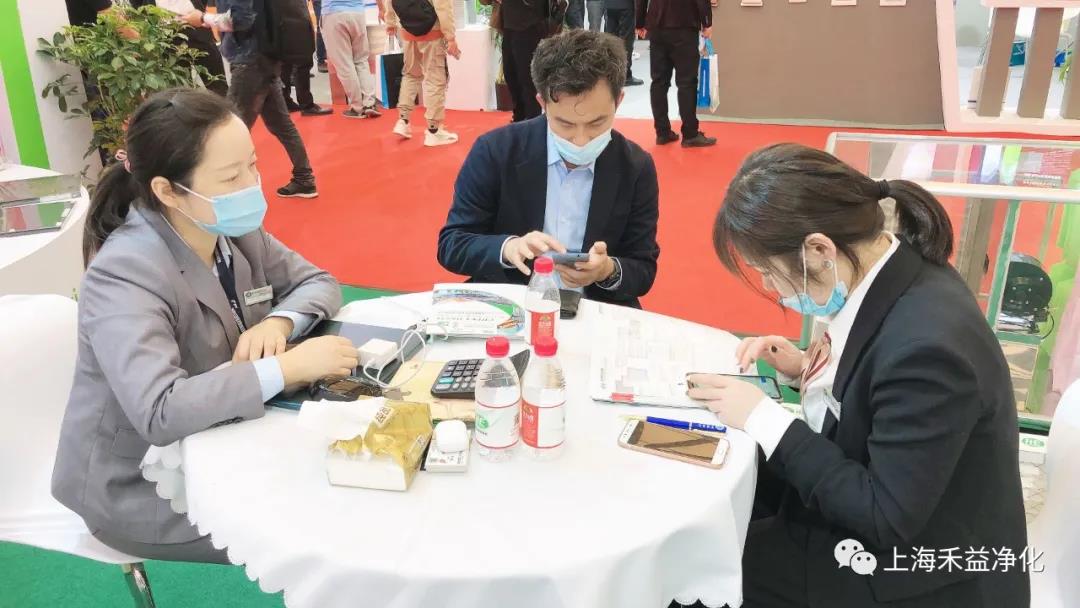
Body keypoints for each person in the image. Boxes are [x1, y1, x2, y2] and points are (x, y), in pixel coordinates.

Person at [676, 144, 1029, 607]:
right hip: (886, 520)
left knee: (689, 574)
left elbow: (884, 516)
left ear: (819, 249)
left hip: (912, 574)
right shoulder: (895, 268)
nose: (770, 288)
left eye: (768, 272)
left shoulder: (928, 349)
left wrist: (764, 418)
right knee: (722, 507)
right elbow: (877, 378)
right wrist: (808, 366)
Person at [51, 89, 358, 563]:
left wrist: (279, 321)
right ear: (167, 190)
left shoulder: (231, 229)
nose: (251, 185)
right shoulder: (125, 274)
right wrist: (285, 369)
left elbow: (317, 282)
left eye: (253, 165)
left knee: (354, 470)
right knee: (332, 519)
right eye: (231, 176)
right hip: (142, 484)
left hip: (226, 438)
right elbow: (159, 410)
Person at [438, 30, 659, 308]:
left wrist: (607, 271)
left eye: (597, 123)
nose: (580, 140)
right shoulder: (497, 151)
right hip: (510, 303)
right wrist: (509, 248)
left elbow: (643, 267)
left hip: (595, 308)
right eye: (565, 124)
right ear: (542, 103)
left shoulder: (635, 167)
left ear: (619, 101)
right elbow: (453, 244)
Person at [184, 0, 321, 199]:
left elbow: (241, 19)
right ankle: (304, 178)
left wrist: (204, 18)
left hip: (250, 61)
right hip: (263, 57)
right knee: (281, 125)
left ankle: (230, 188)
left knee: (230, 128)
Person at [636, 0, 716, 147]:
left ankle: (662, 132)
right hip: (684, 23)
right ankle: (690, 133)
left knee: (659, 81)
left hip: (657, 24)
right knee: (687, 82)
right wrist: (707, 22)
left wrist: (639, 22)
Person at [385, 0, 461, 145]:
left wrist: (390, 22)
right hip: (432, 31)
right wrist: (450, 37)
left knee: (410, 74)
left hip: (407, 28)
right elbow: (443, 6)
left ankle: (403, 120)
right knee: (435, 79)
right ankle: (434, 131)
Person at [130, 0, 228, 97]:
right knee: (180, 92)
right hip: (166, 37)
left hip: (197, 27)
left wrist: (200, 14)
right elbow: (138, 7)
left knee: (217, 84)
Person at [321, 0, 382, 119]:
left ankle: (357, 107)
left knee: (344, 63)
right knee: (361, 60)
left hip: (333, 13)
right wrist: (382, 9)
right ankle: (369, 103)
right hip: (357, 13)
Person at [499, 0, 548, 122]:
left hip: (529, 24)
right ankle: (519, 118)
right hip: (509, 25)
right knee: (510, 74)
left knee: (527, 78)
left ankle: (532, 121)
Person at [605, 0, 642, 86]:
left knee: (611, 38)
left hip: (609, 5)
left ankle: (612, 74)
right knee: (626, 40)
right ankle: (625, 75)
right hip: (626, 5)